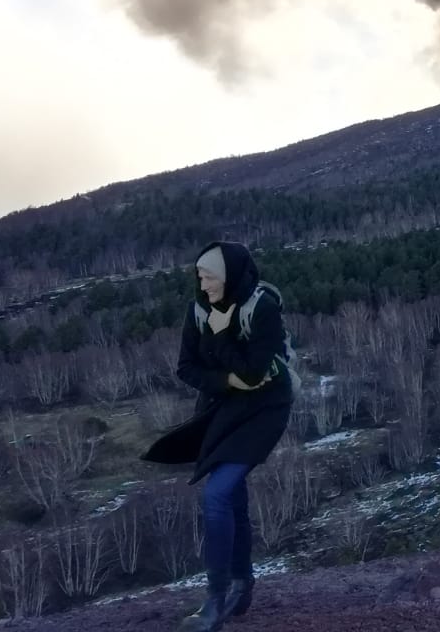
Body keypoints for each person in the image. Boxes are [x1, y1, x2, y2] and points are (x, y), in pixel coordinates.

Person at [142, 242, 294, 631]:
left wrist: (222, 338)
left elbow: (254, 374)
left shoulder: (262, 308)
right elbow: (186, 367)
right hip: (221, 407)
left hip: (264, 409)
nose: (202, 282)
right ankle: (242, 585)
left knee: (217, 494)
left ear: (229, 277)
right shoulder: (198, 309)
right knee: (231, 496)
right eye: (200, 275)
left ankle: (216, 598)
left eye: (209, 276)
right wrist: (224, 380)